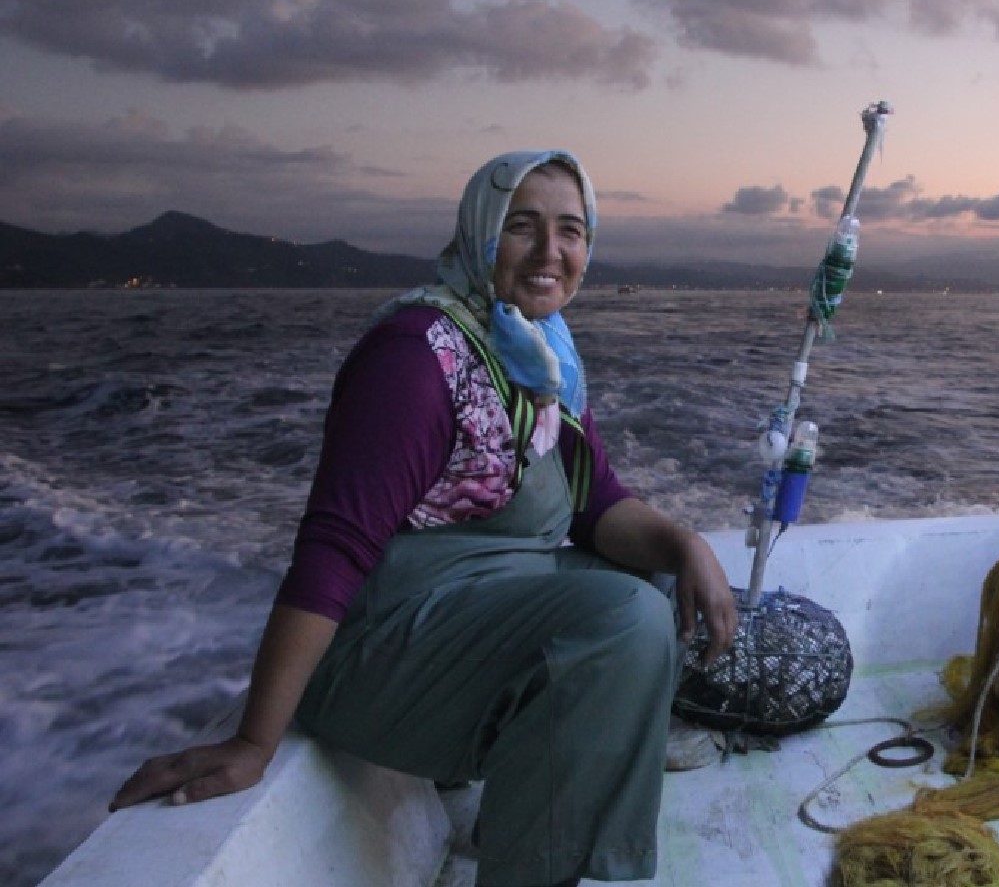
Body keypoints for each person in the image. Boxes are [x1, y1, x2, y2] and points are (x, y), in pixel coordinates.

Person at [110, 150, 739, 887]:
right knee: (625, 620)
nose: (550, 253)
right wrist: (254, 739)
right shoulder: (418, 354)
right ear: (479, 234)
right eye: (522, 228)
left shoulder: (543, 354)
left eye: (570, 231)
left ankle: (526, 805)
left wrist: (684, 543)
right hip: (382, 650)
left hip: (471, 612)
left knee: (654, 582)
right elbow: (333, 549)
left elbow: (597, 504)